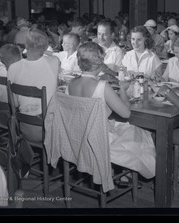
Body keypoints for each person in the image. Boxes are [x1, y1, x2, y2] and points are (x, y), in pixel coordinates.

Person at [67, 42, 156, 179]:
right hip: (100, 140)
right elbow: (126, 114)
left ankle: (121, 173)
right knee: (141, 132)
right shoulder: (102, 86)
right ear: (100, 63)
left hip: (78, 137)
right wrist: (122, 90)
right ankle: (131, 173)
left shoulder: (71, 84)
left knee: (126, 129)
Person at [7, 29, 60, 144]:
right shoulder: (54, 62)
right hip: (48, 130)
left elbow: (14, 104)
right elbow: (51, 55)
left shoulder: (13, 67)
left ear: (26, 45)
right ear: (46, 47)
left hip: (23, 128)